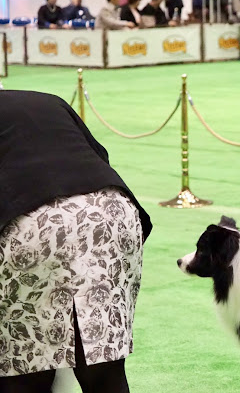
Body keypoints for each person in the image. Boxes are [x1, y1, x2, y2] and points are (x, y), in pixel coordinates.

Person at [0, 90, 152, 393]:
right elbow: (99, 156)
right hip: (111, 214)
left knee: (25, 370)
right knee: (103, 369)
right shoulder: (47, 99)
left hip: (31, 225)